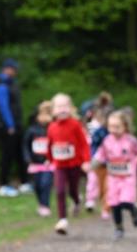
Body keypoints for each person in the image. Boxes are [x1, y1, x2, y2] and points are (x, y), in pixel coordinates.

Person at [91, 110, 137, 240]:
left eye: (117, 127)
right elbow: (100, 155)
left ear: (125, 126)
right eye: (111, 127)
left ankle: (134, 211)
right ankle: (119, 228)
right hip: (113, 177)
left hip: (128, 177)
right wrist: (91, 165)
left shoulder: (131, 141)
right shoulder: (107, 141)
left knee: (125, 201)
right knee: (114, 203)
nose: (114, 130)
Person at [46, 93, 91, 235]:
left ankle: (77, 200)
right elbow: (50, 145)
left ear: (71, 108)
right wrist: (49, 159)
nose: (62, 109)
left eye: (65, 106)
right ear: (53, 110)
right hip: (59, 165)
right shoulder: (51, 127)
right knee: (59, 190)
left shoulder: (75, 125)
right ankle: (62, 220)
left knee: (72, 189)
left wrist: (86, 160)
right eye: (59, 107)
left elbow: (83, 144)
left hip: (74, 164)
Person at [0, 58, 31, 197]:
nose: (15, 71)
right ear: (6, 69)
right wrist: (10, 125)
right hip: (8, 127)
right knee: (7, 156)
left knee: (20, 155)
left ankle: (24, 182)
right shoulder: (2, 85)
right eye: (13, 69)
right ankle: (3, 185)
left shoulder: (12, 84)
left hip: (17, 125)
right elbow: (3, 107)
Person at [23, 100, 54, 217]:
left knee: (45, 183)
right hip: (35, 164)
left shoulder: (52, 129)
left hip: (48, 163)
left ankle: (45, 205)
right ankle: (41, 204)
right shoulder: (31, 131)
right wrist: (28, 159)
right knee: (37, 185)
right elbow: (25, 146)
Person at [85, 106, 111, 218]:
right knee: (97, 184)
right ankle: (92, 200)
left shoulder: (116, 133)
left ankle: (106, 208)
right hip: (98, 162)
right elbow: (93, 147)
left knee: (108, 186)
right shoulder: (98, 132)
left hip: (112, 164)